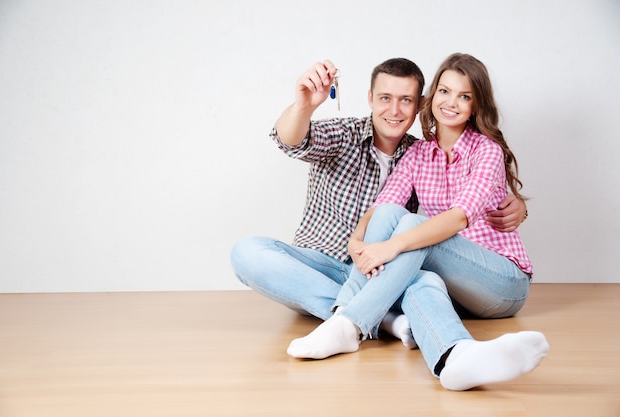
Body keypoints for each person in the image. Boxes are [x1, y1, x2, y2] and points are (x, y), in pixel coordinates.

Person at [286, 53, 549, 391]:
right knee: (410, 259)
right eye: (444, 91)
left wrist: (390, 246)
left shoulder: (486, 151)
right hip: (456, 286)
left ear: (475, 104)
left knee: (411, 228)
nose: (451, 102)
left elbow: (457, 219)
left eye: (464, 96)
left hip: (502, 282)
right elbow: (382, 210)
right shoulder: (418, 154)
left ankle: (348, 321)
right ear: (432, 97)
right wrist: (357, 244)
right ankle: (454, 357)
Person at [230, 57, 527, 343]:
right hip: (332, 266)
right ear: (370, 98)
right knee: (248, 252)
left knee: (417, 247)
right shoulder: (348, 135)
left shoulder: (425, 150)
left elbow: (463, 209)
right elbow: (292, 140)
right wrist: (303, 107)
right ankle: (380, 318)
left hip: (391, 266)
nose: (395, 109)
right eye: (385, 98)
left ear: (419, 103)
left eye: (406, 100)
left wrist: (517, 205)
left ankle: (354, 317)